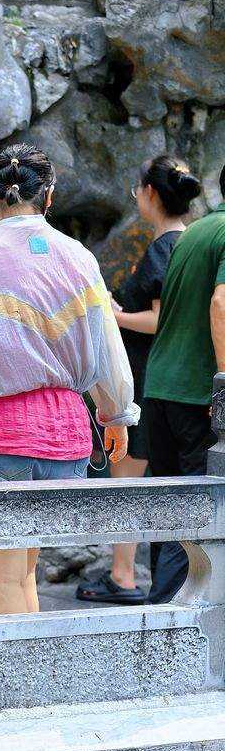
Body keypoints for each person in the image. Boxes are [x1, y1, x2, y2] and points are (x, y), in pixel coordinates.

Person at [0, 142, 137, 617]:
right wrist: (116, 415)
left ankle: (9, 687)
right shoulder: (79, 258)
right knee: (26, 569)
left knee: (4, 577)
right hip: (65, 433)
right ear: (49, 197)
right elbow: (106, 346)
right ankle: (29, 685)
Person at [77, 155, 198, 604]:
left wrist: (115, 314)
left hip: (148, 378)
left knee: (128, 479)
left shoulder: (165, 248)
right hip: (173, 380)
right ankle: (133, 574)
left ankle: (124, 575)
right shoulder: (192, 243)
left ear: (149, 193)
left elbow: (158, 318)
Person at [137, 160, 225, 605]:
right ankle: (166, 625)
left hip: (161, 387)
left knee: (167, 506)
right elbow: (221, 305)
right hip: (197, 394)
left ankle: (158, 618)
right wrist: (223, 386)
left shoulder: (196, 233)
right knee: (191, 512)